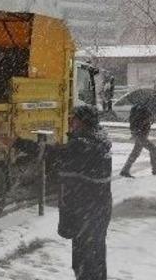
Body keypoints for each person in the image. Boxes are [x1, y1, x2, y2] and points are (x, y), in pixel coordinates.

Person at [57, 105, 113, 280]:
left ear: (82, 122)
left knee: (86, 261)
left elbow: (53, 154)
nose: (71, 121)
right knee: (93, 257)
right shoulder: (96, 141)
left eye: (74, 118)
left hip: (87, 212)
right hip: (95, 210)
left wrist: (18, 142)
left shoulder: (84, 145)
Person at [120, 103, 156, 177]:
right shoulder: (145, 113)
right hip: (140, 136)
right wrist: (145, 125)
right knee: (153, 149)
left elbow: (139, 125)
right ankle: (155, 170)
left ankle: (125, 170)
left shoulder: (144, 112)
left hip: (139, 135)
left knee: (135, 153)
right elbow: (141, 125)